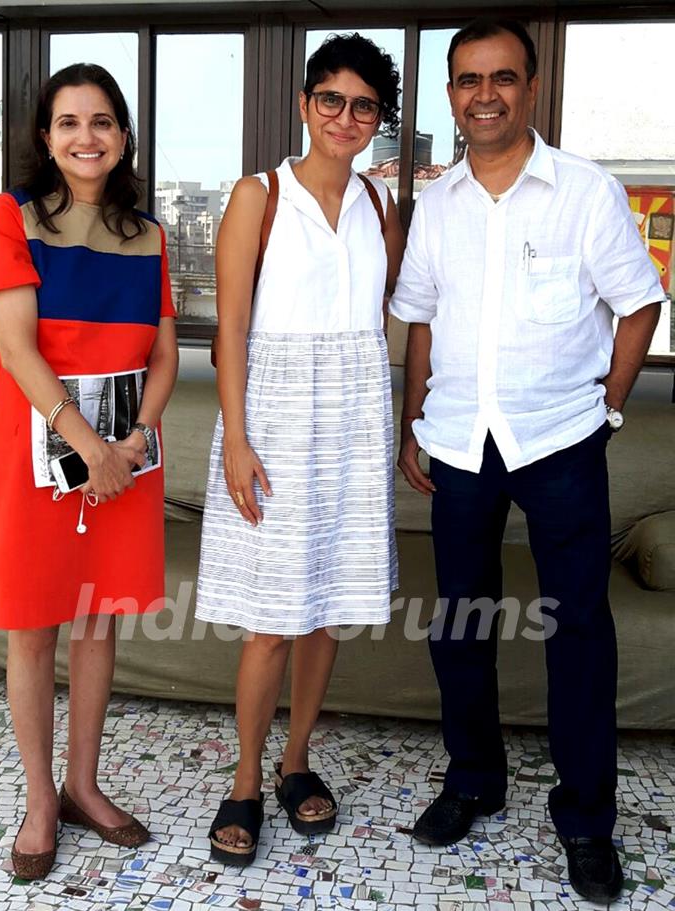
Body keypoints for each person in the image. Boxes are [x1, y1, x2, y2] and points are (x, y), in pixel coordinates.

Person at [389, 18, 664, 905]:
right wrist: (412, 423)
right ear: (451, 95)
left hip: (561, 443)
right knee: (460, 621)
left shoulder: (584, 192)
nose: (485, 95)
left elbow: (639, 304)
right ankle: (474, 779)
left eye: (502, 78)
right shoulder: (437, 201)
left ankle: (586, 818)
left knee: (578, 631)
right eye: (469, 80)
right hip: (461, 443)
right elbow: (421, 321)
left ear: (531, 89)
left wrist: (608, 407)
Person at [196, 33, 404, 866]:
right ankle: (244, 778)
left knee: (326, 612)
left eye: (364, 106)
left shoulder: (381, 205)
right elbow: (233, 329)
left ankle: (295, 761)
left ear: (378, 119)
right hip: (275, 422)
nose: (346, 118)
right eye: (332, 100)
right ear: (305, 104)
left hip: (352, 418)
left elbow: (381, 320)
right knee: (272, 623)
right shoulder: (259, 195)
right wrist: (238, 439)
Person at [0, 63, 178, 880]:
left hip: (126, 458)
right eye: (69, 122)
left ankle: (84, 787)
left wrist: (127, 443)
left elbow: (164, 354)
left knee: (100, 623)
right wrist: (87, 445)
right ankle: (38, 800)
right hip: (36, 446)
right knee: (34, 627)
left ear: (124, 137)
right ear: (44, 137)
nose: (86, 137)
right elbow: (18, 347)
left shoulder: (151, 235)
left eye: (102, 122)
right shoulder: (12, 216)